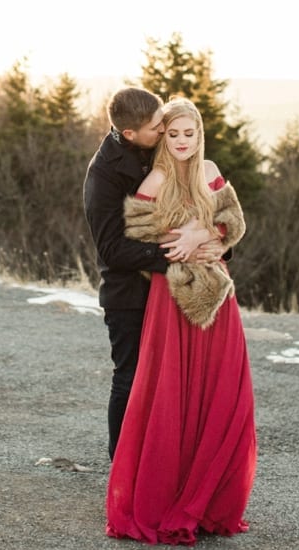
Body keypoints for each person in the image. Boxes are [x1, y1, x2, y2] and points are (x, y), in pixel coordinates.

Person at [105, 96, 258, 544]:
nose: (182, 142)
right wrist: (182, 240)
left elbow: (234, 219)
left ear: (200, 133)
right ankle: (169, 494)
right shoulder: (154, 179)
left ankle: (210, 497)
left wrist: (209, 233)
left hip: (218, 293)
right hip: (171, 295)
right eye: (173, 134)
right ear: (163, 136)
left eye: (189, 133)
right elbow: (137, 231)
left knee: (221, 389)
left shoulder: (211, 172)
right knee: (173, 390)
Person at [83, 87, 219, 458]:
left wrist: (205, 236)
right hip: (127, 294)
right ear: (130, 134)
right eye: (157, 127)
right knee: (129, 379)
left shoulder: (163, 151)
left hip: (169, 291)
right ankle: (123, 470)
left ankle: (160, 466)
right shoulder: (104, 176)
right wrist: (178, 253)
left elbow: (210, 212)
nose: (164, 130)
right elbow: (112, 249)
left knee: (172, 385)